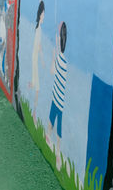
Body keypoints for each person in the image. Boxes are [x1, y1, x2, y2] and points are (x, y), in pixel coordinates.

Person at [45, 21, 68, 170]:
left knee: (51, 121)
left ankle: (48, 136)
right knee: (58, 128)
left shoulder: (60, 59)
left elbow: (52, 71)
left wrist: (53, 56)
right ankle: (58, 153)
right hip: (62, 100)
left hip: (56, 98)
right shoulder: (65, 60)